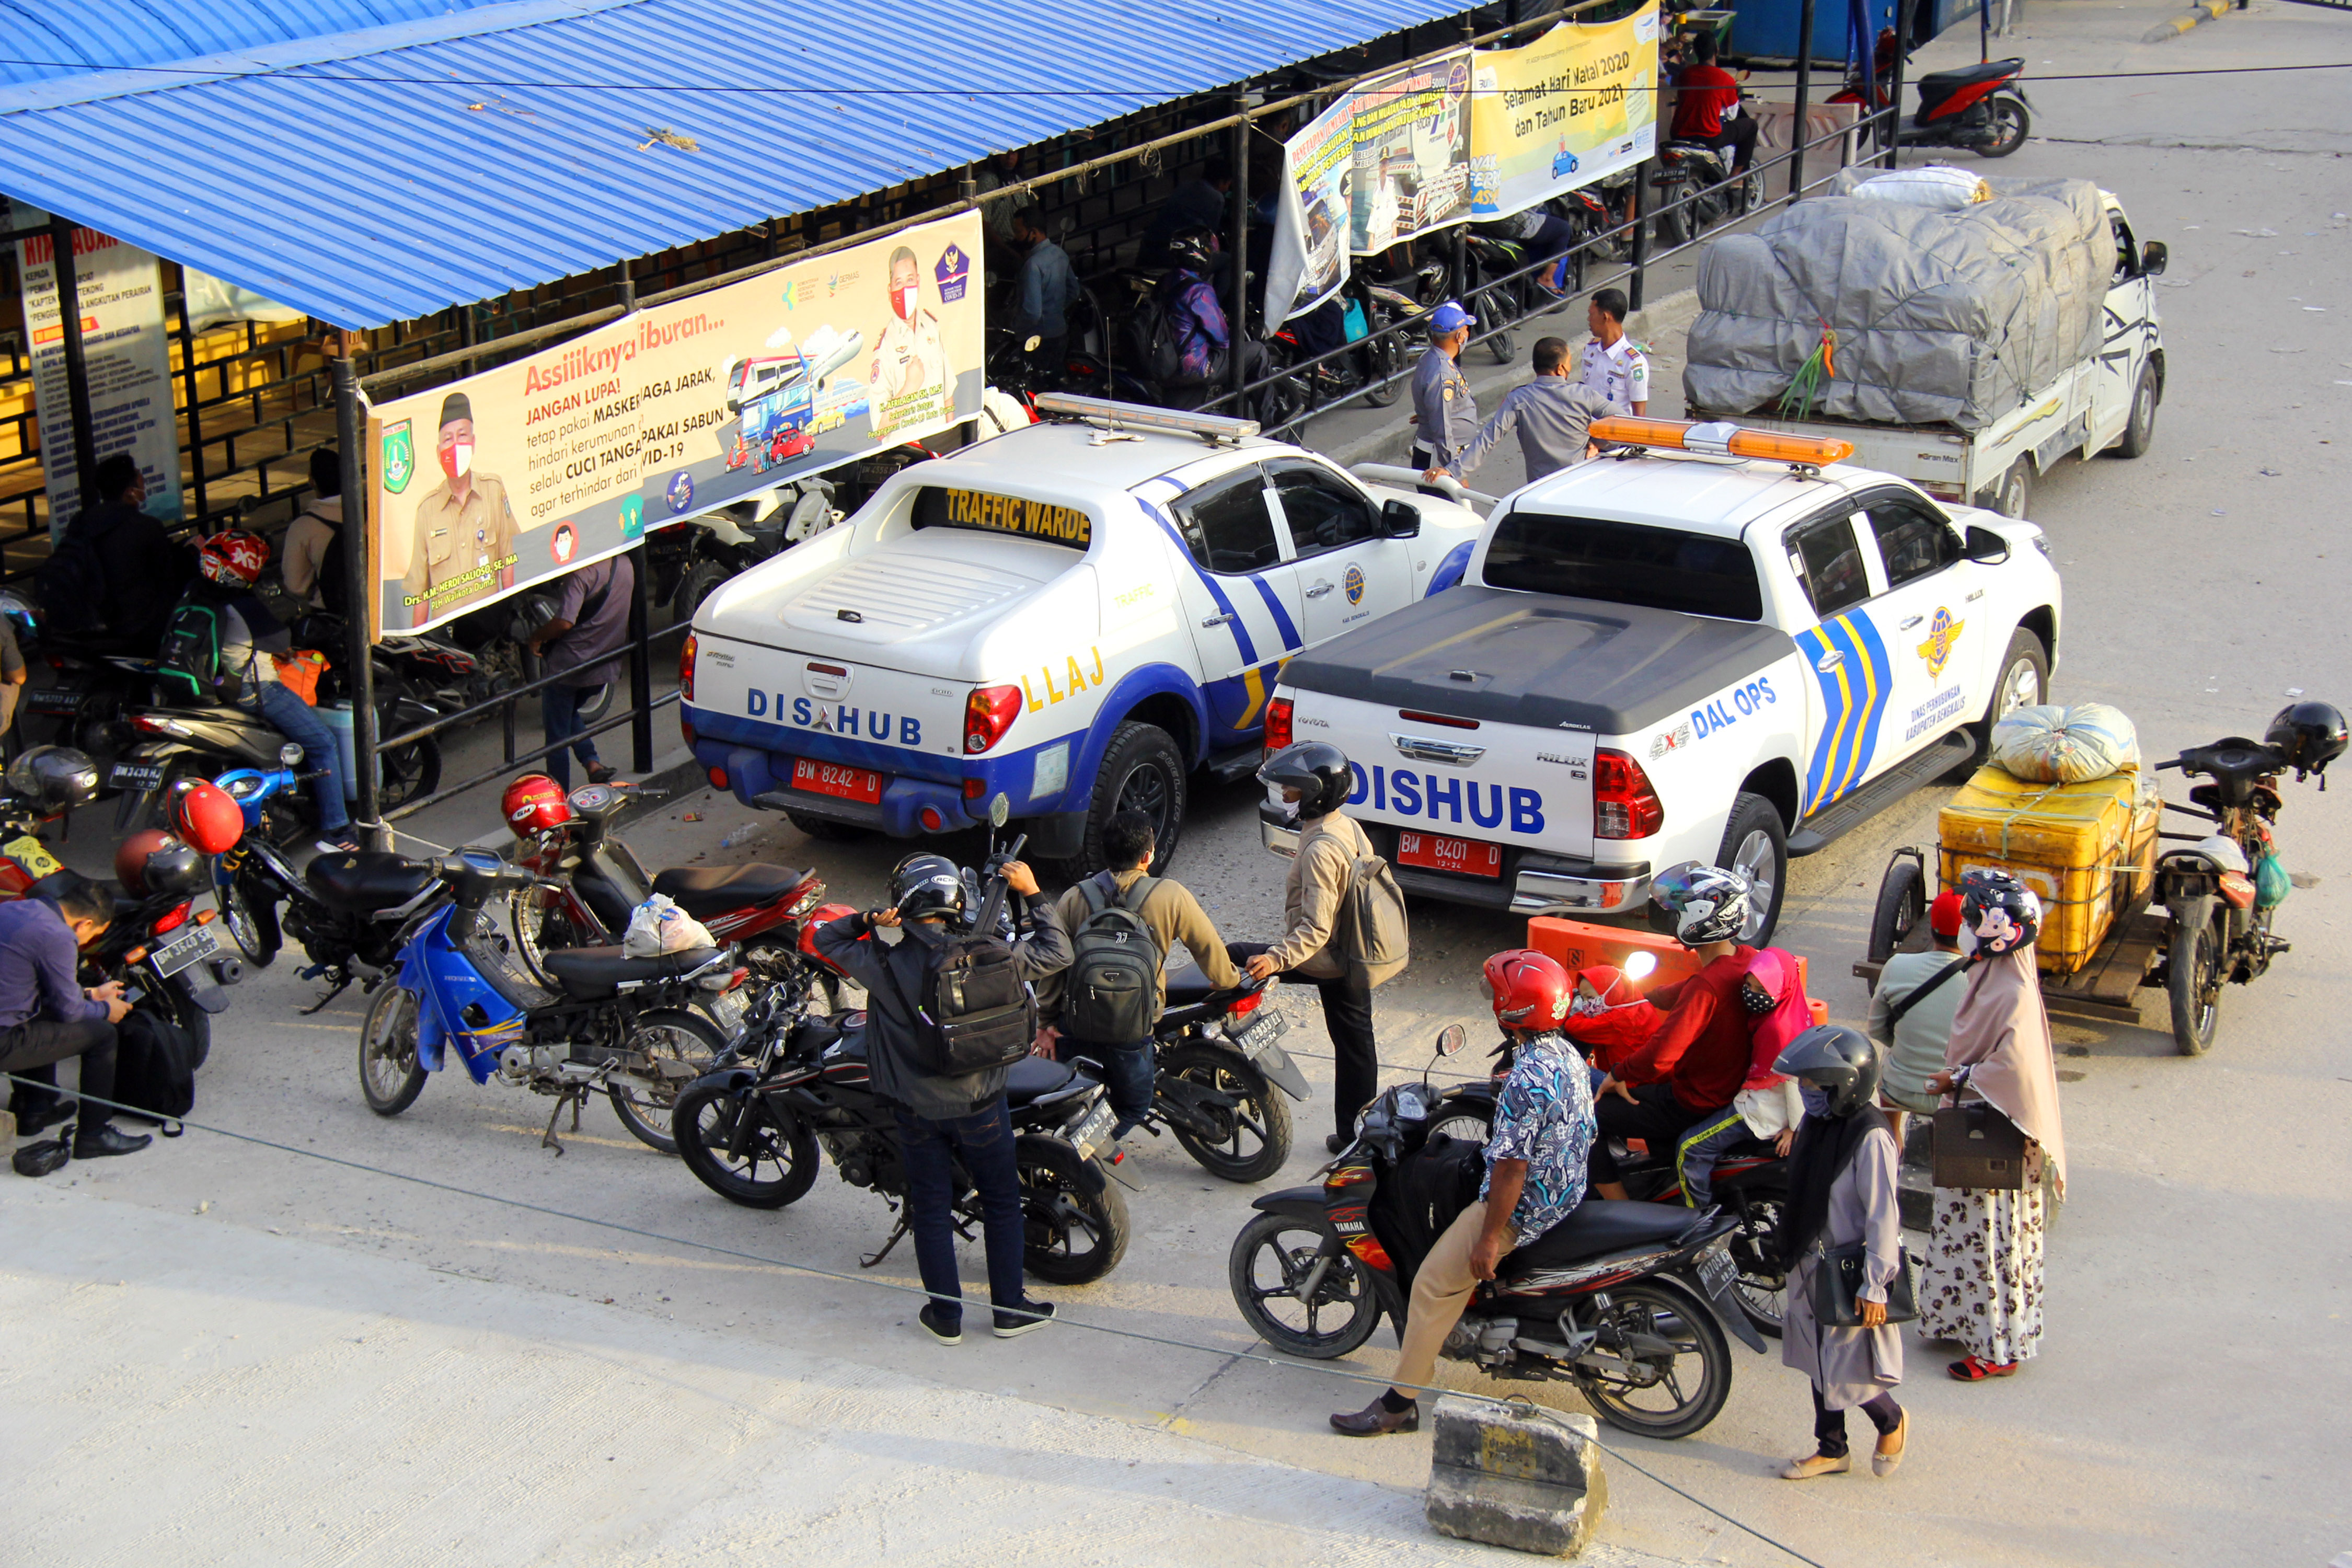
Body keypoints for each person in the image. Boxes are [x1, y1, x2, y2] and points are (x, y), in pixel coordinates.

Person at [1330, 949, 1595, 1436]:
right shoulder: (1567, 1055)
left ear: (1513, 1010)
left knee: (1432, 1286)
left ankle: (1399, 1404)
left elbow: (1513, 1168)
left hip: (1527, 1206)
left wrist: (1490, 1239)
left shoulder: (1525, 1076)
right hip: (1566, 1188)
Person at [812, 854, 1071, 1345]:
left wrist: (868, 921)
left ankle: (946, 1318)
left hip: (915, 1109)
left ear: (904, 907)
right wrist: (1033, 891)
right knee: (1000, 1201)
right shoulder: (992, 954)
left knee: (930, 1206)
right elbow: (1058, 951)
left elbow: (825, 937)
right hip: (982, 1104)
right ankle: (1009, 1310)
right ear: (956, 902)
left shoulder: (882, 963)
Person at [1919, 870, 2067, 1383]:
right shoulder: (1993, 979)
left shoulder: (2013, 995)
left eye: (1971, 921)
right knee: (1969, 1235)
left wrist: (1956, 1077)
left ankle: (1998, 1348)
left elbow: (2014, 1072)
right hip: (1978, 1128)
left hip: (1999, 1141)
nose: (1963, 929)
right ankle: (1965, 1321)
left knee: (1991, 1243)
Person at [1039, 809, 1240, 1141]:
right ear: (1148, 856)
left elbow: (1054, 966)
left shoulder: (1074, 898)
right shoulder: (1170, 895)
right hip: (1133, 1029)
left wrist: (1045, 1024)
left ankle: (1069, 1146)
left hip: (1077, 1025)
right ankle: (1088, 1152)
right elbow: (1208, 949)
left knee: (1067, 1100)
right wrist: (1228, 982)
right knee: (1134, 1106)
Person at [1232, 741, 1382, 1154]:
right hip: (1354, 949)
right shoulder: (1345, 825)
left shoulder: (1319, 849)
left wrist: (1274, 960)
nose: (1287, 794)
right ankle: (1355, 1134)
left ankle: (1226, 1059)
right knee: (1355, 1041)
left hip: (1329, 957)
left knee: (1234, 955)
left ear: (1316, 793)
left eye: (1295, 790)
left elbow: (1314, 930)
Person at [1773, 1024, 1908, 1480]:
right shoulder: (1819, 1123)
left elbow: (1883, 1216)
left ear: (1845, 1085)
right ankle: (1832, 1449)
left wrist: (1875, 1285)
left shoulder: (1869, 1138)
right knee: (1817, 1358)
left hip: (1847, 1270)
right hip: (1810, 1258)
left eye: (1814, 1084)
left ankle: (1891, 1419)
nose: (1805, 1092)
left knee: (1847, 1365)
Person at [1588, 863, 1757, 1199]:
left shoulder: (1706, 987)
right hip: (1723, 1089)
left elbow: (1661, 1056)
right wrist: (1647, 997)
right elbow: (1689, 988)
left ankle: (1621, 1209)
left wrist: (1619, 1073)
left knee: (1582, 1116)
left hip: (1689, 1101)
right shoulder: (1744, 959)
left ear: (1701, 918)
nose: (1672, 917)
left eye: (1680, 910)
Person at [191, 531, 357, 854]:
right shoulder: (243, 604)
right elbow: (281, 641)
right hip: (256, 689)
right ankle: (336, 829)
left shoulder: (196, 592)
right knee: (323, 742)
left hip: (219, 684)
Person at [0, 875, 150, 1158]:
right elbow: (69, 1012)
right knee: (103, 1035)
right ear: (85, 924)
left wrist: (91, 995)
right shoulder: (58, 935)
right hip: (3, 1040)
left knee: (42, 1013)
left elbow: (27, 986)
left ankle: (35, 1109)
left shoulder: (15, 910)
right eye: (91, 937)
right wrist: (107, 1010)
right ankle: (94, 1135)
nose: (86, 942)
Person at [1676, 947, 1808, 1208]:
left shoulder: (1778, 1029)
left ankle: (1696, 1219)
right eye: (1749, 985)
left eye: (1762, 990)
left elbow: (1795, 1082)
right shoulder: (1789, 1011)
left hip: (1760, 1111)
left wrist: (1796, 1128)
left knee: (1689, 1148)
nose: (1752, 995)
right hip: (1763, 1101)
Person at [1424, 336, 1619, 488]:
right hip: (1580, 482)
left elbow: (1488, 439)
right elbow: (1620, 419)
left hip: (1539, 489)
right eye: (1569, 361)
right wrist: (1597, 443)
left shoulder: (1518, 399)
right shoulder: (1584, 394)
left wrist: (1454, 470)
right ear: (1561, 369)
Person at [400, 393, 518, 628]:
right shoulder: (427, 510)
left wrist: (510, 622)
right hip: (450, 638)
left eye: (462, 436)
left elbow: (508, 562)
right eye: (448, 439)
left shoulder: (493, 490)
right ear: (438, 452)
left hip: (491, 630)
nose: (454, 445)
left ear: (473, 443)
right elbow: (421, 593)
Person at [57, 452, 198, 649]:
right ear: (130, 492)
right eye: (140, 480)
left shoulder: (82, 521)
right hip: (136, 624)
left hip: (92, 616)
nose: (144, 485)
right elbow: (166, 578)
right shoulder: (146, 527)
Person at [1869, 890, 1969, 1145]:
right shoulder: (1981, 979)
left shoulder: (1897, 965)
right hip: (1955, 1095)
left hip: (1900, 1091)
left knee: (1890, 1054)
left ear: (1931, 929)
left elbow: (1878, 1030)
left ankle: (1893, 1138)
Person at [527, 552, 632, 790]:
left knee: (556, 737)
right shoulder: (625, 564)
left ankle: (560, 796)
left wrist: (536, 638)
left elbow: (565, 622)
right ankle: (592, 763)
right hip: (605, 664)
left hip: (570, 667)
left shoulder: (581, 574)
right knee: (568, 714)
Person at [1153, 229, 1263, 410]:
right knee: (1258, 352)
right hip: (1194, 366)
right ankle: (1269, 420)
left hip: (1166, 364)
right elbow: (1221, 338)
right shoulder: (1199, 291)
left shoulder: (1164, 282)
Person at [1409, 302, 1480, 486]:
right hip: (1438, 462)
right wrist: (1454, 471)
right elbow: (1441, 427)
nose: (1467, 335)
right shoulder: (1442, 372)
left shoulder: (1432, 358)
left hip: (1437, 455)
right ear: (1459, 336)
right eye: (1466, 330)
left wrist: (1428, 413)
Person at [1669, 31, 1758, 176]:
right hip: (1709, 136)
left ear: (1696, 51)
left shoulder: (1686, 74)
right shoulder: (1725, 79)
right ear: (1717, 51)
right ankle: (1736, 178)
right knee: (1751, 126)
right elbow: (1732, 114)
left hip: (1679, 133)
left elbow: (1675, 87)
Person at [870, 245, 949, 406]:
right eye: (899, 283)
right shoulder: (885, 346)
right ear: (890, 289)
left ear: (918, 282)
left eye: (910, 280)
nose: (905, 289)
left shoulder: (932, 327)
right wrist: (909, 387)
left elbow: (948, 396)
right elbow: (879, 426)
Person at [1007, 205, 1075, 387]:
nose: (1016, 237)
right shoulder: (1060, 254)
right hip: (1060, 333)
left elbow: (1032, 313)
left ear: (1034, 233)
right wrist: (1055, 310)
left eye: (1019, 232)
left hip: (1037, 340)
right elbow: (1074, 292)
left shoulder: (1032, 266)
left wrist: (1015, 328)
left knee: (1036, 389)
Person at [1140, 155, 1234, 269]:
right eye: (1228, 184)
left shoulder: (1183, 187)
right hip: (1176, 254)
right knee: (1227, 260)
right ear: (1221, 182)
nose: (1228, 188)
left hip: (1149, 244)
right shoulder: (1217, 198)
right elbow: (1211, 233)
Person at [282, 447, 343, 611]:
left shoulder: (303, 527)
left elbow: (296, 585)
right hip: (381, 608)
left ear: (312, 481)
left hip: (332, 613)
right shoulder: (372, 512)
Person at [1578, 289, 1650, 417]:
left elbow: (1640, 415)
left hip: (1614, 433)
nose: (1589, 319)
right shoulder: (1590, 350)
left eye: (1591, 314)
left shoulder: (1633, 363)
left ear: (1605, 317)